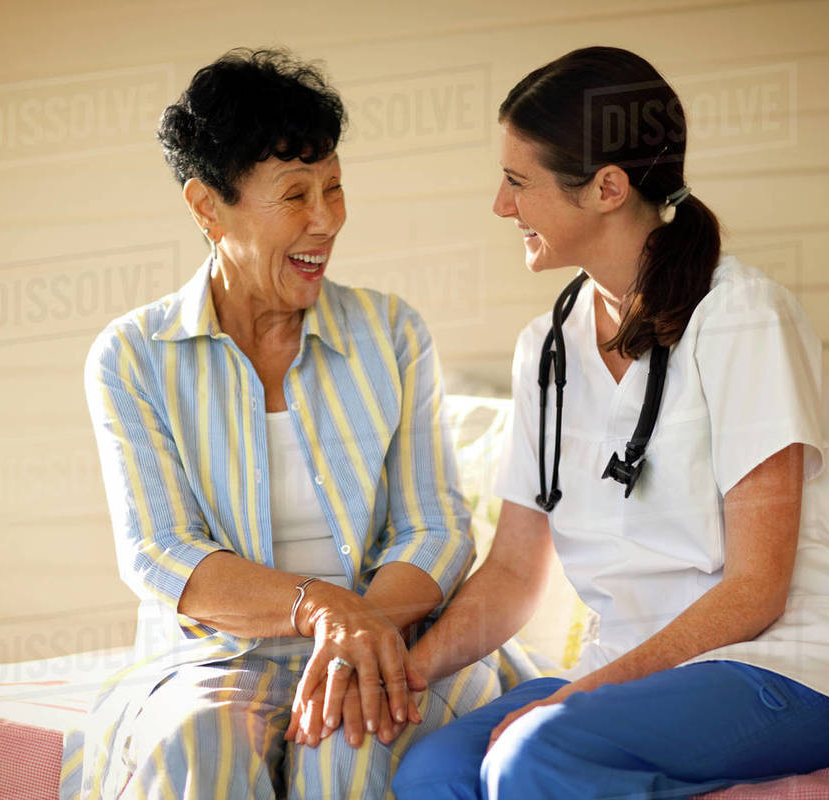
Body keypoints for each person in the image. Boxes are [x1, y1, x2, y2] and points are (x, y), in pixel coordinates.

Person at [391, 46, 829, 799]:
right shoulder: (546, 348)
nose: (502, 206)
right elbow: (510, 573)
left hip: (783, 664)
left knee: (536, 755)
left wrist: (581, 700)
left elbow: (757, 589)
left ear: (606, 187)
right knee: (430, 770)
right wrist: (407, 671)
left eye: (517, 182)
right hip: (630, 671)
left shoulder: (741, 317)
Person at [77, 48, 533, 800]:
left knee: (348, 746)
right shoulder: (133, 356)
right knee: (199, 749)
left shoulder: (390, 332)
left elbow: (437, 527)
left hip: (396, 638)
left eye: (335, 188)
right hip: (220, 656)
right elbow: (162, 552)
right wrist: (318, 609)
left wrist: (360, 634)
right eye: (295, 195)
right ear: (206, 206)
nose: (326, 221)